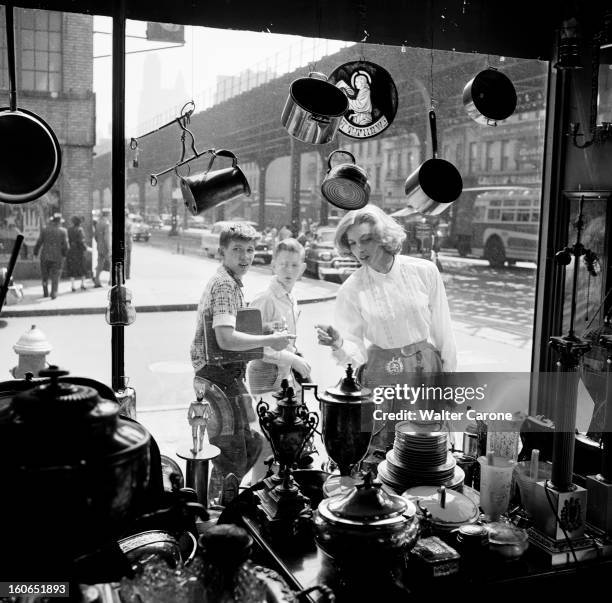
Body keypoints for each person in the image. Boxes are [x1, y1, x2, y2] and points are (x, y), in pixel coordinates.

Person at [315, 205, 456, 456]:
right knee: (383, 458)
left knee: (427, 455)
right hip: (382, 378)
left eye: (366, 239)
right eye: (353, 243)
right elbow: (356, 354)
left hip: (426, 372)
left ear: (384, 237)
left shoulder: (424, 271)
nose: (359, 249)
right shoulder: (351, 289)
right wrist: (338, 343)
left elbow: (444, 332)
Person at [191, 222, 295, 502]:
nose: (245, 256)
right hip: (218, 377)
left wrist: (264, 333)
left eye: (250, 250)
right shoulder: (225, 285)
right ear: (221, 250)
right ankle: (217, 511)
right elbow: (226, 339)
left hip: (225, 376)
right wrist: (268, 341)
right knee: (231, 454)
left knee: (250, 443)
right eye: (237, 249)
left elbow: (233, 334)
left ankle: (221, 503)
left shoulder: (230, 281)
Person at [33, 213, 68, 300]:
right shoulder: (63, 231)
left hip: (45, 256)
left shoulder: (45, 230)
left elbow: (39, 242)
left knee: (45, 276)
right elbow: (66, 245)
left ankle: (45, 292)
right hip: (57, 257)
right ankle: (54, 293)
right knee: (55, 275)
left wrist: (35, 253)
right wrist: (64, 255)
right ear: (59, 222)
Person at [66, 216, 88, 291]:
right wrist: (85, 248)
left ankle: (73, 286)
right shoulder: (80, 230)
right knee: (82, 268)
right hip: (79, 252)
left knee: (72, 268)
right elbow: (81, 241)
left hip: (71, 251)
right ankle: (82, 284)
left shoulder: (69, 229)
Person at [94, 208, 111, 287]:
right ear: (107, 214)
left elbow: (96, 236)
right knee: (112, 264)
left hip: (99, 246)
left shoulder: (98, 222)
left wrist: (99, 244)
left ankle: (97, 280)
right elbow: (107, 238)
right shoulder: (107, 223)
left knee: (100, 264)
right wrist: (109, 248)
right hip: (105, 247)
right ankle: (111, 280)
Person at [125, 211, 133, 280]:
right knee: (127, 260)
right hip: (127, 243)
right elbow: (130, 233)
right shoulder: (129, 222)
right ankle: (127, 275)